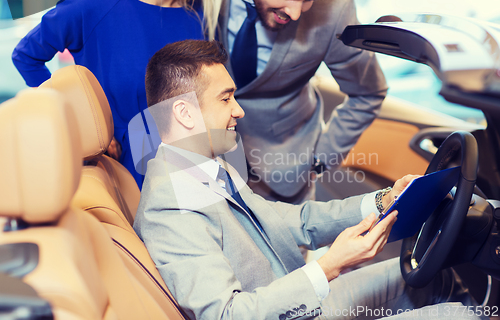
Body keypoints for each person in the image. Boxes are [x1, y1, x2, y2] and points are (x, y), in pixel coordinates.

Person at [133, 40, 484, 320]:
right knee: (456, 314)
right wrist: (330, 266)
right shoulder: (170, 206)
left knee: (432, 274)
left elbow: (292, 221)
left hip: (299, 299)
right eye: (226, 98)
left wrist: (382, 201)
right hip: (293, 307)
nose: (238, 110)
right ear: (184, 113)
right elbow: (227, 314)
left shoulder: (204, 165)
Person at [12, 0, 221, 188]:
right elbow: (26, 57)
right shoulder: (94, 3)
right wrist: (85, 123)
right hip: (126, 165)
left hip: (196, 161)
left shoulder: (202, 11)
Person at [219, 0, 388, 203]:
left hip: (287, 171)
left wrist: (320, 160)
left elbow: (369, 93)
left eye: (310, 0)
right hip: (208, 164)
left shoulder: (336, 6)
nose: (296, 13)